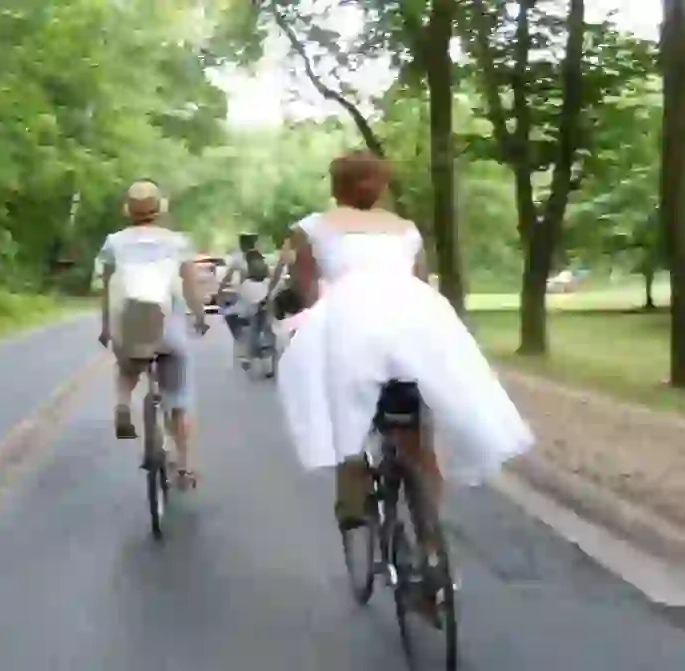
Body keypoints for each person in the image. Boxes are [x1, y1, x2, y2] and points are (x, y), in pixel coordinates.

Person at [275, 150, 533, 588]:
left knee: (332, 390)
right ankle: (432, 547)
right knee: (418, 442)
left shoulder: (312, 228)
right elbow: (419, 280)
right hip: (417, 327)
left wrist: (305, 319)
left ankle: (352, 479)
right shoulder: (406, 230)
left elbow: (306, 292)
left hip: (351, 328)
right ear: (382, 186)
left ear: (335, 186)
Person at [97, 179, 209, 489]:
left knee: (127, 366)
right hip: (169, 329)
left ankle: (122, 403)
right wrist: (199, 317)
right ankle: (185, 467)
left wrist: (106, 326)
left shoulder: (114, 243)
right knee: (179, 399)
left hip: (130, 324)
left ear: (129, 212)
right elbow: (190, 287)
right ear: (158, 210)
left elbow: (108, 288)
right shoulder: (177, 242)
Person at [222, 250, 270, 366]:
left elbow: (240, 301)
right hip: (263, 313)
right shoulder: (268, 283)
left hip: (249, 314)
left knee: (228, 313)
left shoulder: (245, 285)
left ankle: (240, 340)